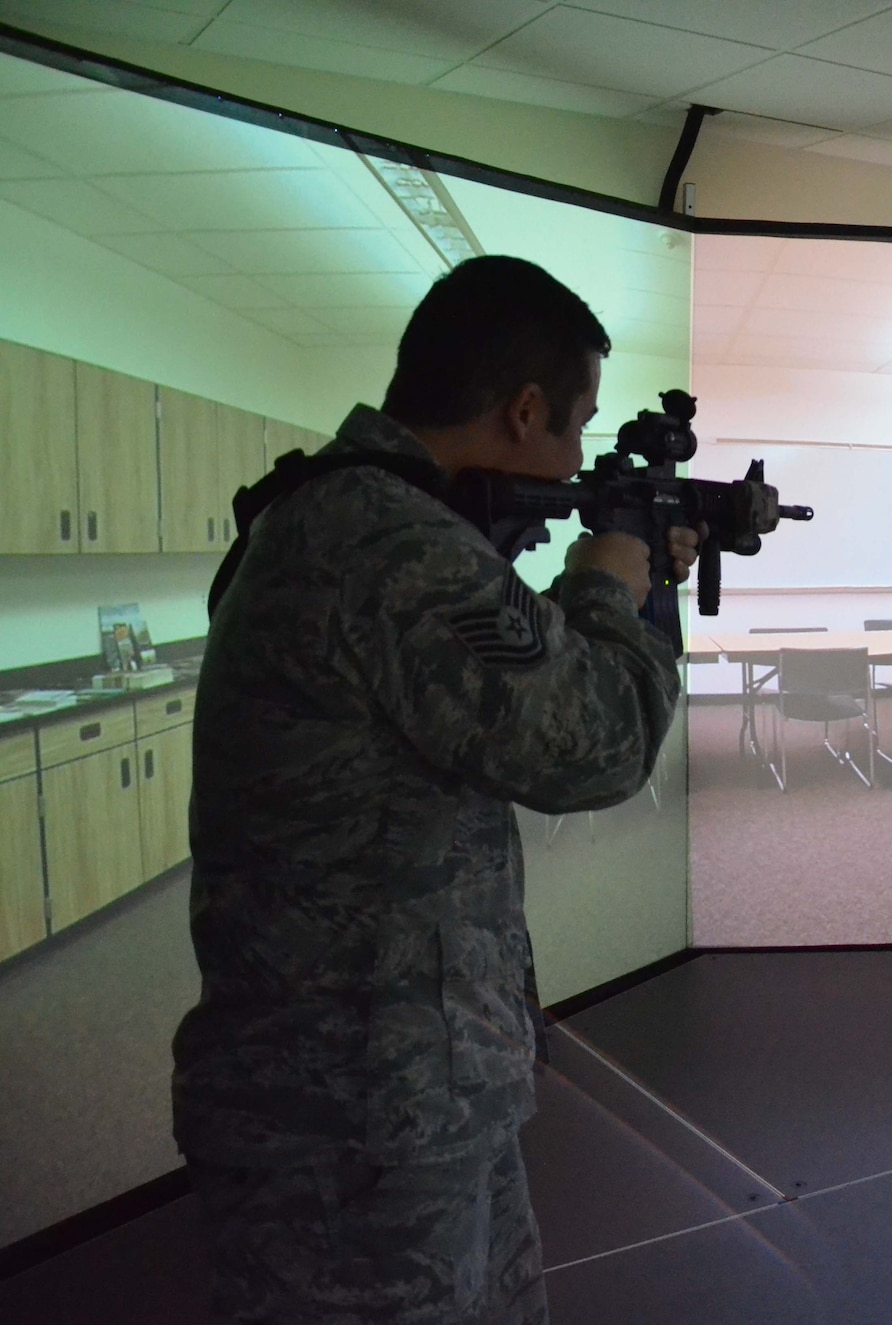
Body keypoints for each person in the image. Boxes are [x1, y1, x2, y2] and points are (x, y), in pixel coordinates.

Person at [171, 256, 697, 1325]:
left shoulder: (354, 517)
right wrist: (613, 583)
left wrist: (634, 584)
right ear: (524, 410)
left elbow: (494, 680)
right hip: (360, 1114)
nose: (579, 456)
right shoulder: (389, 541)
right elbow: (592, 743)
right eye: (577, 425)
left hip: (391, 1087)